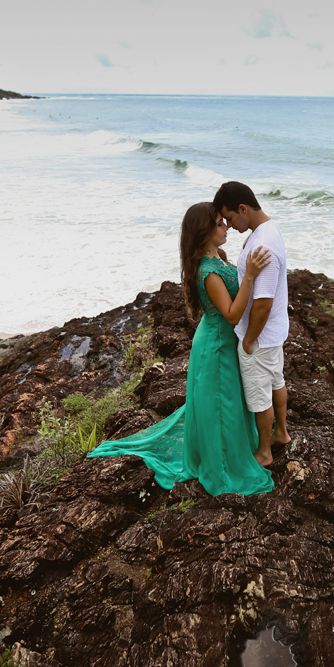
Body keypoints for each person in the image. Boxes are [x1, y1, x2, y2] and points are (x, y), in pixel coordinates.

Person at [87, 202, 274, 497]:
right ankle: (221, 465)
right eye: (219, 223)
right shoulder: (208, 272)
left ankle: (232, 450)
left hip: (224, 342)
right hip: (215, 346)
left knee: (226, 402)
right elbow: (232, 314)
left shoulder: (220, 258)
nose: (226, 226)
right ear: (204, 231)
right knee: (219, 404)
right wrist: (249, 276)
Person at [212, 181, 291, 467]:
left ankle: (264, 452)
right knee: (276, 381)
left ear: (243, 209)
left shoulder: (262, 245)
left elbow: (263, 304)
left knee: (260, 398)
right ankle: (281, 433)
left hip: (260, 337)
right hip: (274, 333)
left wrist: (248, 339)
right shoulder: (266, 230)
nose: (229, 226)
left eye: (230, 218)